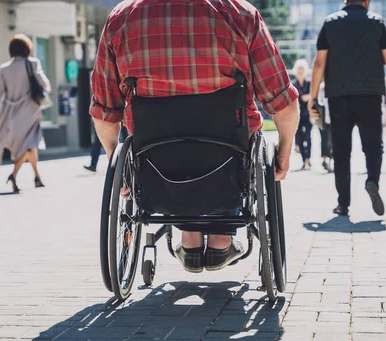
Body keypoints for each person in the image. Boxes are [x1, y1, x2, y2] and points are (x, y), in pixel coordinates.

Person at [90, 0, 299, 273]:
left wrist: (116, 163)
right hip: (228, 154)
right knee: (230, 143)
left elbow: (104, 111)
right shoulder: (240, 13)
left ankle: (189, 241)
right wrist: (283, 152)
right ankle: (220, 241)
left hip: (156, 157)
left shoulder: (122, 17)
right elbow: (283, 102)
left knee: (173, 143)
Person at [308, 0, 386, 217]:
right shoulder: (377, 22)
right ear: (366, 1)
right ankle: (372, 180)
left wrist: (312, 97)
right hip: (370, 94)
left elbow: (319, 63)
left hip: (339, 96)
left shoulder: (330, 23)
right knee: (373, 146)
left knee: (341, 151)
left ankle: (343, 204)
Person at [0, 34, 51, 192]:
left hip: (11, 115)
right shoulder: (33, 63)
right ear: (27, 48)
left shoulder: (5, 69)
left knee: (29, 146)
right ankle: (15, 175)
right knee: (29, 145)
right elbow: (46, 85)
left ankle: (36, 178)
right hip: (31, 112)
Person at [292, 59, 313, 170]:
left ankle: (308, 159)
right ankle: (303, 159)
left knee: (308, 137)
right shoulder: (293, 84)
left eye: (302, 70)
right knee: (299, 138)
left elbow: (313, 96)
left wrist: (308, 97)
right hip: (297, 115)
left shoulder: (309, 84)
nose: (300, 72)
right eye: (299, 70)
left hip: (308, 114)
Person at [317, 81, 333, 172]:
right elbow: (318, 103)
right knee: (324, 139)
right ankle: (325, 159)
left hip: (333, 118)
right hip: (323, 119)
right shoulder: (321, 88)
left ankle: (330, 160)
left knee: (332, 141)